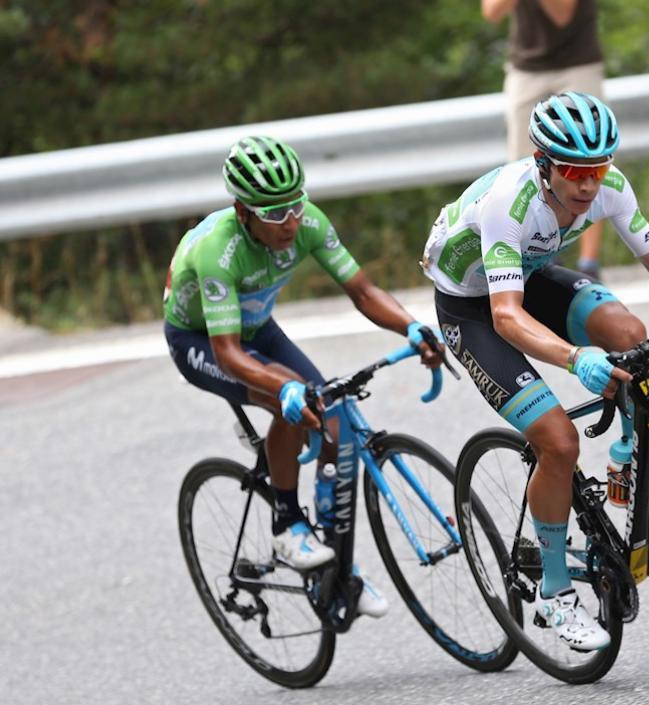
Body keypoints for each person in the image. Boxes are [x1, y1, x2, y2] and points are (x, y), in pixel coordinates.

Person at [420, 92, 649, 650]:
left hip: (529, 276)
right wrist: (576, 358)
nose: (588, 184)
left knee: (630, 336)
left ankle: (627, 457)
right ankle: (555, 592)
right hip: (473, 309)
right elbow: (506, 317)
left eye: (598, 168)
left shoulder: (610, 186)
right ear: (544, 164)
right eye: (575, 171)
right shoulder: (510, 203)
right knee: (558, 441)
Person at [163, 135, 444, 618]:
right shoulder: (216, 251)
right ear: (243, 211)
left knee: (333, 418)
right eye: (274, 213)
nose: (290, 222)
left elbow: (363, 291)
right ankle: (287, 526)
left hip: (257, 326)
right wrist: (285, 388)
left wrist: (411, 326)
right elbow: (228, 354)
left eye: (295, 205)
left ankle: (336, 569)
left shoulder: (308, 221)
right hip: (201, 341)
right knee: (289, 401)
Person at [482, 0, 608, 279]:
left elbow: (562, 13)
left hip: (578, 62)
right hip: (526, 66)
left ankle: (589, 263)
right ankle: (538, 255)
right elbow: (492, 11)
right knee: (521, 169)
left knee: (590, 158)